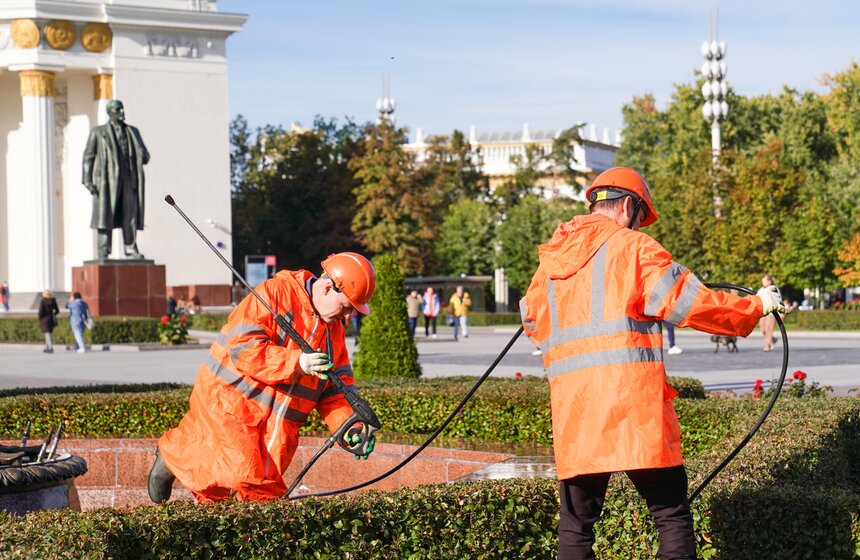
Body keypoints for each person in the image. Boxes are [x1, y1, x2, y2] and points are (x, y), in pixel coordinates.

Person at [520, 167, 784, 560]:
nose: (640, 225)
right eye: (641, 216)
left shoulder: (550, 264)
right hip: (634, 411)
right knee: (671, 516)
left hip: (576, 414)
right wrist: (756, 306)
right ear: (629, 205)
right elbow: (692, 302)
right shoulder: (635, 249)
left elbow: (530, 318)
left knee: (576, 527)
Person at [148, 252, 378, 504]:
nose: (347, 317)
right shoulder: (275, 294)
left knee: (233, 487)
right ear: (325, 288)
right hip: (232, 405)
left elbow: (336, 391)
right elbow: (242, 345)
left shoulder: (334, 331)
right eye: (346, 307)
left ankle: (170, 456)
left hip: (278, 428)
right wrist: (296, 362)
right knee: (243, 482)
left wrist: (349, 428)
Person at [82, 99, 150, 259]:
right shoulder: (98, 132)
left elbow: (145, 156)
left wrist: (142, 154)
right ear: (110, 112)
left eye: (122, 109)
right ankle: (103, 249)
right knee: (105, 217)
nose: (122, 112)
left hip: (129, 179)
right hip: (106, 181)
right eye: (119, 110)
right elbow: (88, 157)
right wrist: (87, 180)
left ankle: (130, 247)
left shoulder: (133, 132)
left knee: (130, 215)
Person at [759, 275, 779, 352]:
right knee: (763, 329)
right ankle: (772, 340)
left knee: (768, 330)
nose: (763, 282)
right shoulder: (761, 290)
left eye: (764, 281)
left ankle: (767, 345)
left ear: (769, 281)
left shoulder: (774, 289)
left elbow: (778, 301)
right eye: (762, 281)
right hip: (763, 312)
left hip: (771, 313)